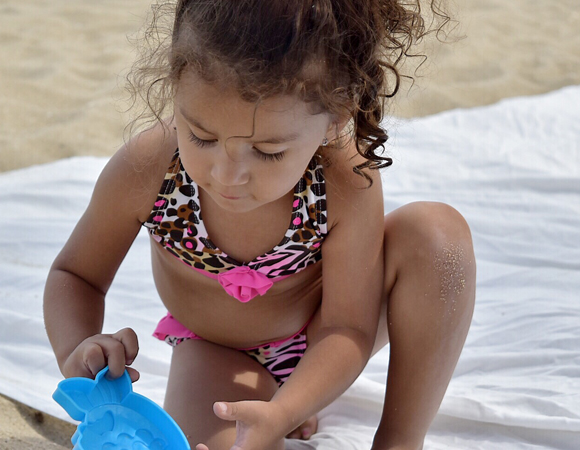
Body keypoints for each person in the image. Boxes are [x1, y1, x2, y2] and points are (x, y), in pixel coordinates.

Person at [43, 1, 475, 449]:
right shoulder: (150, 168)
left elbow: (346, 328)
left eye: (268, 151)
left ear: (337, 117)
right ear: (176, 88)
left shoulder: (344, 179)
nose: (226, 176)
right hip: (217, 350)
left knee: (437, 237)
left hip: (330, 340)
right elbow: (76, 275)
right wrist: (77, 347)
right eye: (202, 137)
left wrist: (289, 407)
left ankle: (400, 440)